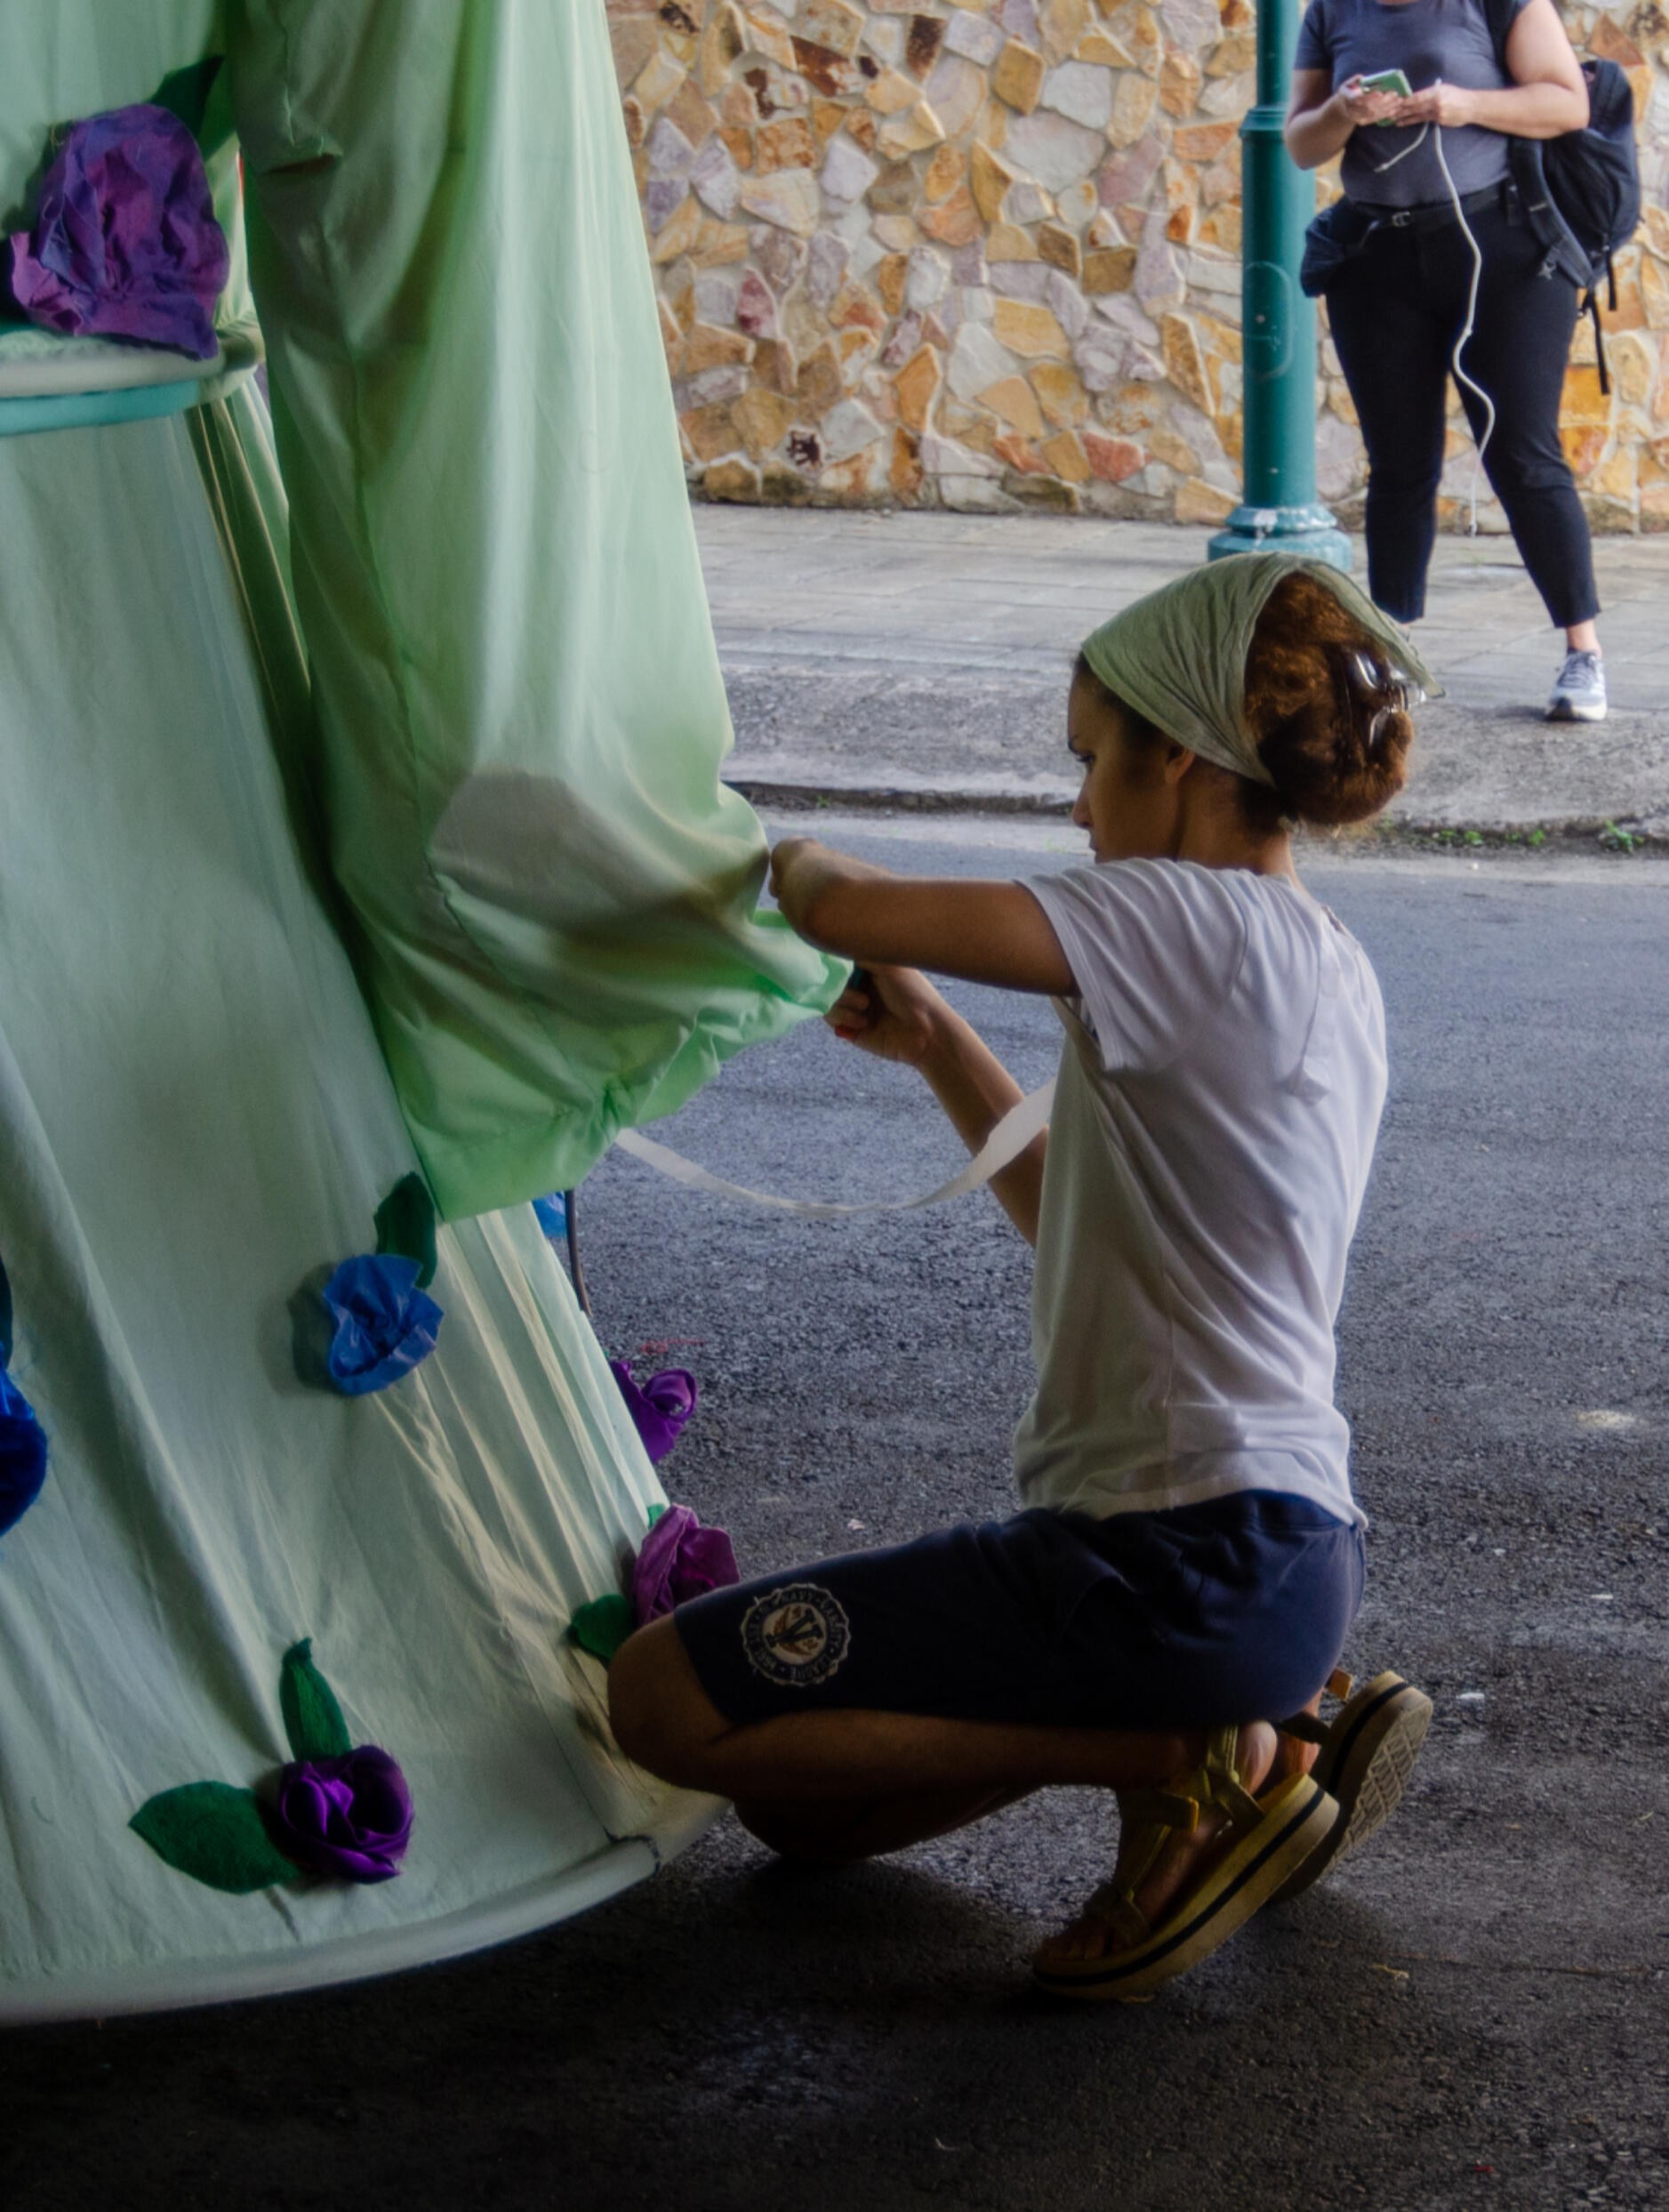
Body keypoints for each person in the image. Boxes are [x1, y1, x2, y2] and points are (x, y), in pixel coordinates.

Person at [609, 555, 1434, 2002]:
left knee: (664, 1698)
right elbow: (1081, 1223)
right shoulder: (1319, 964)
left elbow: (846, 899)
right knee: (801, 1814)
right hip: (1278, 1562)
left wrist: (760, 847)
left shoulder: (1177, 910)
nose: (1077, 803)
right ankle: (1258, 1724)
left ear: (1173, 753)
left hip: (1163, 1567)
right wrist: (937, 1048)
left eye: (1090, 758)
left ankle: (1180, 1755)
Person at [1287, 0, 1605, 722]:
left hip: (1500, 249)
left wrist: (1464, 104)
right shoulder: (1329, 11)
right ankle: (1392, 650)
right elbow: (1301, 144)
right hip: (1375, 259)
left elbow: (1566, 102)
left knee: (1522, 454)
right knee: (1399, 463)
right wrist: (1343, 110)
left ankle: (1582, 652)